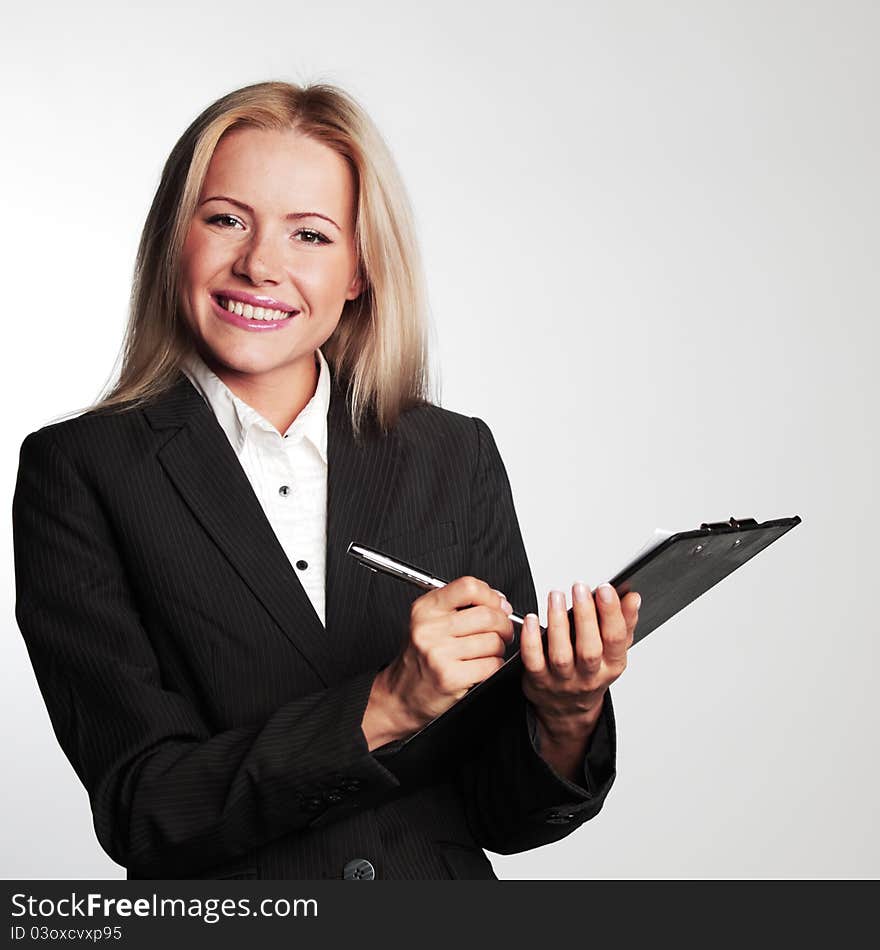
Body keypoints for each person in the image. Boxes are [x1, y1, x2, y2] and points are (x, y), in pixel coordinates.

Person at [12, 80, 640, 880]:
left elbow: (502, 815)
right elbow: (144, 809)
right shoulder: (80, 471)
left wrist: (566, 710)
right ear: (176, 239)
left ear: (358, 272)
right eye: (226, 219)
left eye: (309, 235)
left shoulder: (454, 455)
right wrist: (388, 706)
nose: (260, 264)